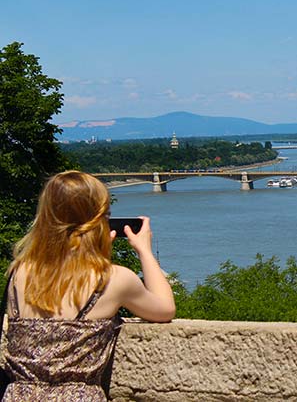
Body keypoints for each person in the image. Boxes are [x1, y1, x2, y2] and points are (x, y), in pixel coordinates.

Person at [3, 171, 175, 401]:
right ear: (98, 221)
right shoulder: (113, 279)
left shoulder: (19, 272)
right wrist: (144, 250)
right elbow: (165, 309)